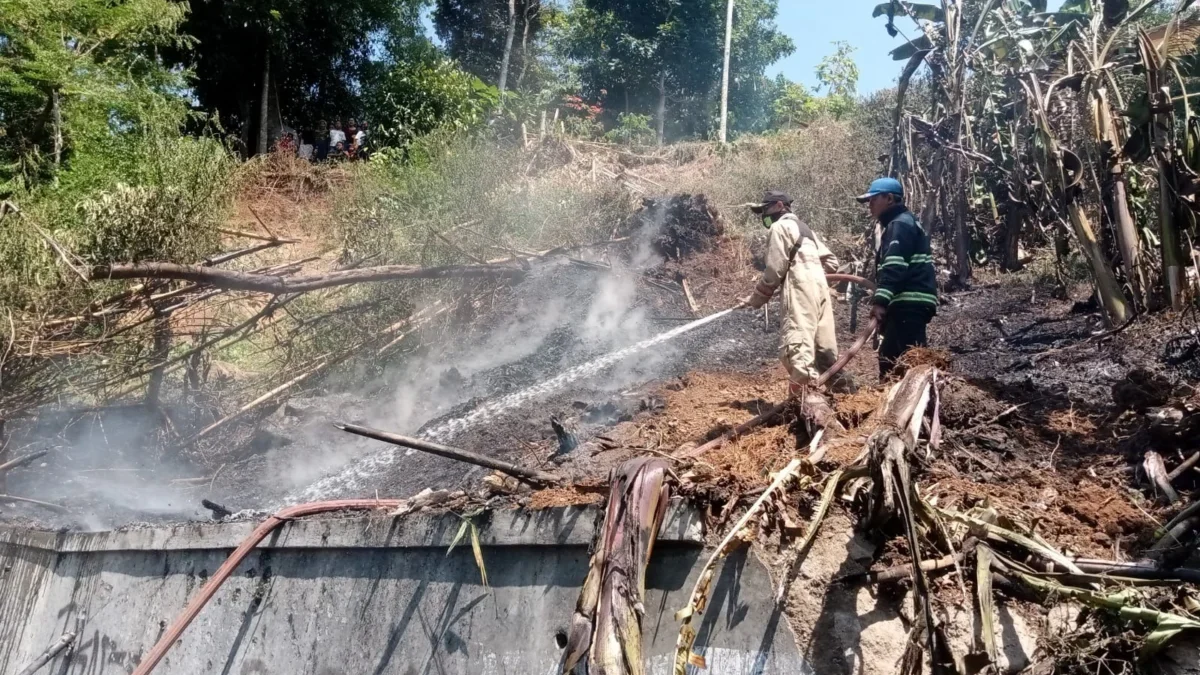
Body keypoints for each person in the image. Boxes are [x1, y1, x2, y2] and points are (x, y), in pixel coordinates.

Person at [742, 190, 851, 397]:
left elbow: (774, 271)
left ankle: (803, 406)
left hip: (800, 288)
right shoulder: (806, 230)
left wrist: (757, 299)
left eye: (766, 209)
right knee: (825, 353)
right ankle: (848, 397)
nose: (764, 214)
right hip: (820, 289)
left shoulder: (779, 226)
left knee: (797, 349)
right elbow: (832, 263)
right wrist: (812, 272)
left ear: (780, 206)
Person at [856, 177, 938, 379]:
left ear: (890, 198)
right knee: (903, 355)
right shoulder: (906, 222)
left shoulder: (899, 225)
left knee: (896, 358)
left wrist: (880, 302)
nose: (870, 206)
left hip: (909, 302)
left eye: (873, 200)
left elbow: (894, 267)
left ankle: (901, 404)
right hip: (913, 303)